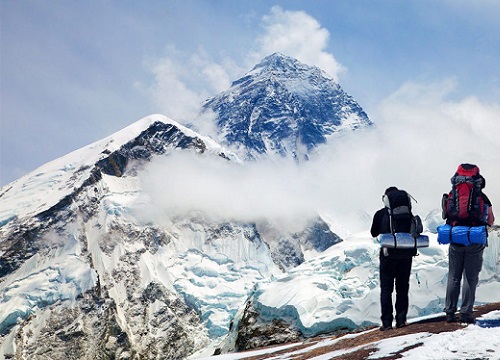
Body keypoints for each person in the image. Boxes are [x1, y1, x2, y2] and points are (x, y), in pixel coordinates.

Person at [443, 164, 495, 323]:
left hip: (456, 237)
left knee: (453, 276)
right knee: (470, 278)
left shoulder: (452, 195)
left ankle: (450, 312)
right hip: (474, 238)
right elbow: (491, 221)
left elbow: (446, 214)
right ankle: (465, 313)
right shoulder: (482, 197)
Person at [370, 186, 418, 331]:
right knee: (402, 288)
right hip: (406, 255)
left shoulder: (380, 214)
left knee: (386, 290)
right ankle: (401, 320)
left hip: (387, 255)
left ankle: (386, 323)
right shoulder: (408, 214)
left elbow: (373, 233)